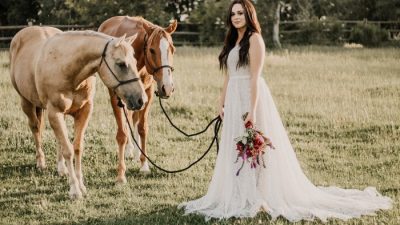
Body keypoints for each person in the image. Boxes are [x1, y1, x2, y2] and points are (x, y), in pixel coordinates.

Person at [178, 0, 392, 222]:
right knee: (236, 145)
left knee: (253, 147)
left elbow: (254, 77)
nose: (236, 17)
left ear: (249, 15)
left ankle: (259, 192)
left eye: (240, 13)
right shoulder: (233, 40)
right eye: (233, 14)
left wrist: (251, 110)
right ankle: (239, 191)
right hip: (233, 97)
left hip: (250, 98)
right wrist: (221, 102)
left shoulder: (255, 39)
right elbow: (228, 75)